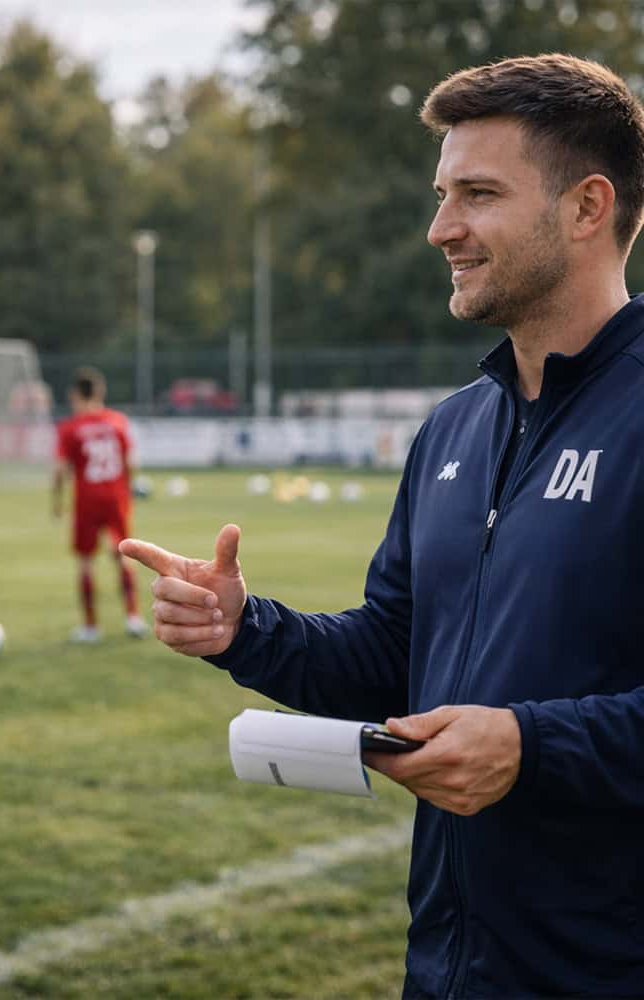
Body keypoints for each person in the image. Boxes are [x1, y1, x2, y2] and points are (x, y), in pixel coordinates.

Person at [120, 53, 644, 998]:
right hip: (447, 966)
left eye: (477, 194)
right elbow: (394, 653)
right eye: (443, 194)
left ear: (587, 206)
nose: (441, 228)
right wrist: (246, 630)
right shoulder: (453, 425)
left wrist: (530, 747)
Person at [53, 367, 147, 641]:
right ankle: (133, 618)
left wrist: (57, 501)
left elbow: (60, 469)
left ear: (74, 395)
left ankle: (91, 627)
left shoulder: (70, 427)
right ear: (100, 392)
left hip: (87, 500)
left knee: (85, 562)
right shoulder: (118, 421)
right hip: (116, 498)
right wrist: (126, 490)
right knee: (124, 557)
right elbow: (132, 463)